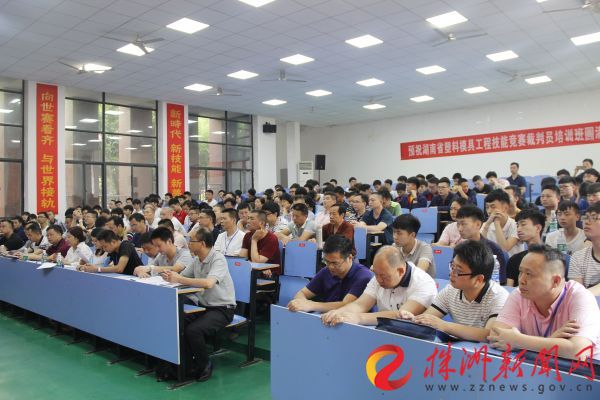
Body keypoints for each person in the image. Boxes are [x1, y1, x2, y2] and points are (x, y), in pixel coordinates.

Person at [489, 245, 600, 361]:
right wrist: (551, 339)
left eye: (529, 274)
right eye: (520, 272)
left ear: (555, 281)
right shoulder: (520, 294)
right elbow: (495, 336)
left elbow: (579, 352)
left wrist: (518, 341)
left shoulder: (579, 296)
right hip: (537, 367)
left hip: (583, 370)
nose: (521, 280)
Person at [161, 227, 236, 381]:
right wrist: (170, 276)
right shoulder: (196, 260)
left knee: (194, 330)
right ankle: (185, 366)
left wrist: (179, 279)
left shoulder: (218, 259)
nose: (188, 244)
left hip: (223, 309)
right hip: (205, 307)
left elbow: (208, 283)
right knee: (178, 322)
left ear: (202, 243)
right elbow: (181, 277)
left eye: (191, 241)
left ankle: (205, 364)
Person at [400, 241, 509, 342]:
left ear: (479, 279)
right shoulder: (450, 290)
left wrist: (444, 326)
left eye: (458, 271)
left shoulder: (498, 297)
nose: (451, 273)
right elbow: (428, 318)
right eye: (452, 266)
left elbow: (489, 335)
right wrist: (413, 319)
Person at [320, 246, 437, 326]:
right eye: (375, 274)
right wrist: (339, 312)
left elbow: (401, 316)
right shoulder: (379, 275)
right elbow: (360, 304)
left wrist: (358, 318)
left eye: (384, 276)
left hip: (412, 338)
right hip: (382, 331)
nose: (378, 280)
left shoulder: (423, 283)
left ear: (400, 271)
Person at [288, 235, 372, 313]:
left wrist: (311, 305)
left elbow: (346, 305)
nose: (330, 267)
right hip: (326, 318)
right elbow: (302, 293)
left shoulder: (363, 276)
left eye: (335, 263)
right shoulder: (326, 271)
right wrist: (300, 303)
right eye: (327, 262)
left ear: (349, 258)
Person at [456, 205, 507, 284]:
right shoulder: (460, 249)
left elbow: (500, 280)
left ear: (478, 224)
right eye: (458, 224)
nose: (459, 229)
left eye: (463, 224)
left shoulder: (493, 249)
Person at [505, 209, 545, 287]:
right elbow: (509, 288)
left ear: (538, 228)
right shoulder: (514, 259)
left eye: (523, 225)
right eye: (517, 226)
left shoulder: (550, 257)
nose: (518, 229)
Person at [568, 202, 600, 295]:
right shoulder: (578, 257)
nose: (586, 222)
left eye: (594, 218)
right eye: (585, 217)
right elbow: (576, 295)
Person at [78, 229, 142, 275]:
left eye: (105, 246)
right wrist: (87, 267)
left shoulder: (126, 246)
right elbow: (103, 265)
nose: (104, 249)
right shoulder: (112, 249)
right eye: (102, 247)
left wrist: (96, 269)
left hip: (138, 278)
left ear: (113, 242)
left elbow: (119, 269)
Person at [481, 189, 524, 257]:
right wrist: (486, 225)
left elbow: (504, 249)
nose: (489, 211)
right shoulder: (486, 225)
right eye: (487, 207)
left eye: (493, 207)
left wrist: (497, 222)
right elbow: (480, 247)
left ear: (505, 208)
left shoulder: (516, 226)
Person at [239, 210, 281, 275]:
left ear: (261, 223)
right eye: (248, 218)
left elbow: (256, 262)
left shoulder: (271, 238)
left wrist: (254, 240)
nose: (248, 221)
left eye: (252, 219)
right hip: (252, 271)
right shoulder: (247, 235)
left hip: (270, 275)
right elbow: (242, 259)